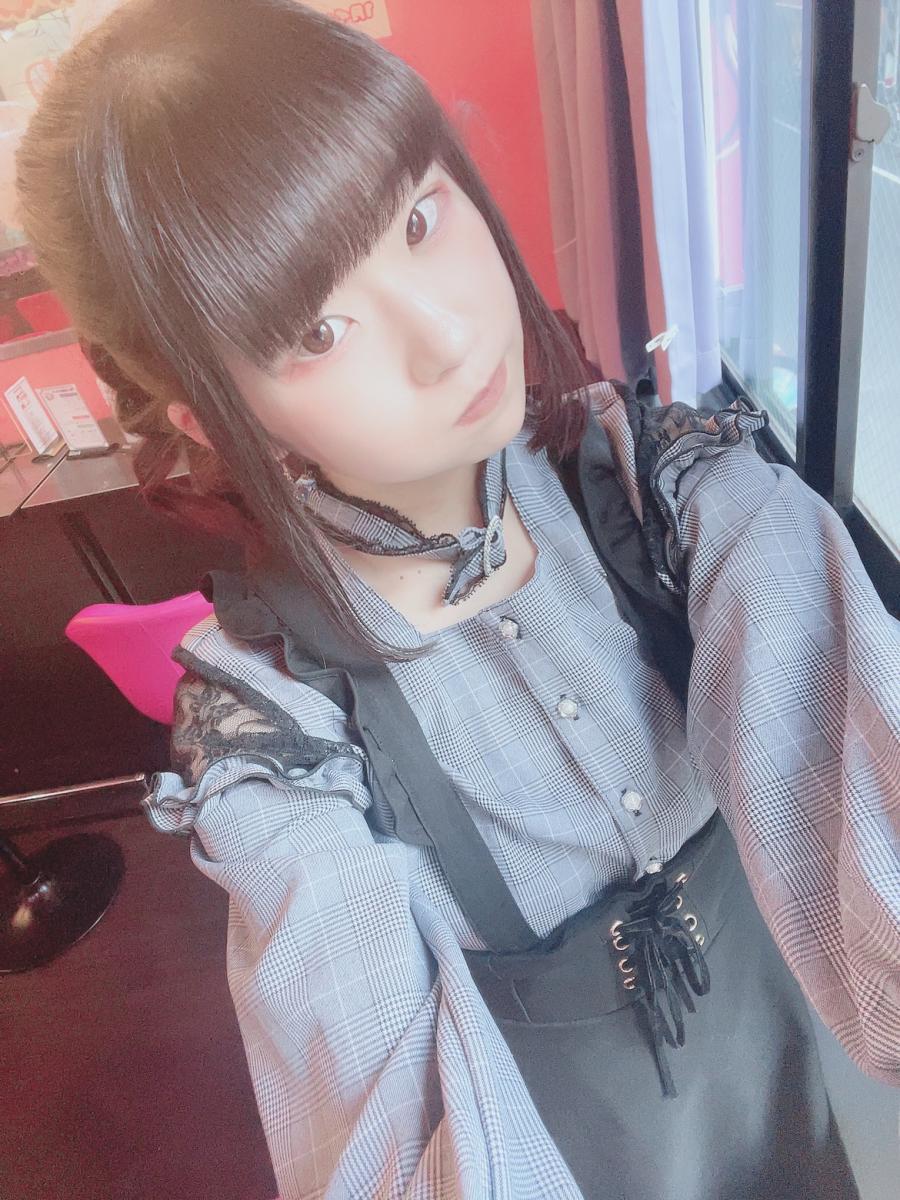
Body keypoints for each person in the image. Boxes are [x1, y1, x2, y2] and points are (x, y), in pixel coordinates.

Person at [16, 2, 898, 1197]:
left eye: (421, 220)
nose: (446, 334)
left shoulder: (668, 494)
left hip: (770, 1078)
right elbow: (377, 1119)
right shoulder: (283, 733)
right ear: (215, 419)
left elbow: (833, 721)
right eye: (318, 329)